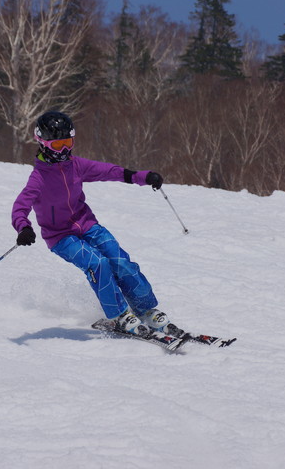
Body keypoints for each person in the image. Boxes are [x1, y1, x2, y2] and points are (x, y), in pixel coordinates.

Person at [11, 111, 170, 336]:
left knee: (118, 259)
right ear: (43, 143)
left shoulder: (75, 165)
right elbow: (19, 207)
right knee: (98, 264)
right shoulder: (38, 179)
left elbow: (110, 171)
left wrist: (143, 177)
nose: (64, 150)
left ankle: (146, 309)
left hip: (86, 224)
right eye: (58, 145)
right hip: (60, 237)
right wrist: (23, 227)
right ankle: (118, 316)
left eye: (68, 142)